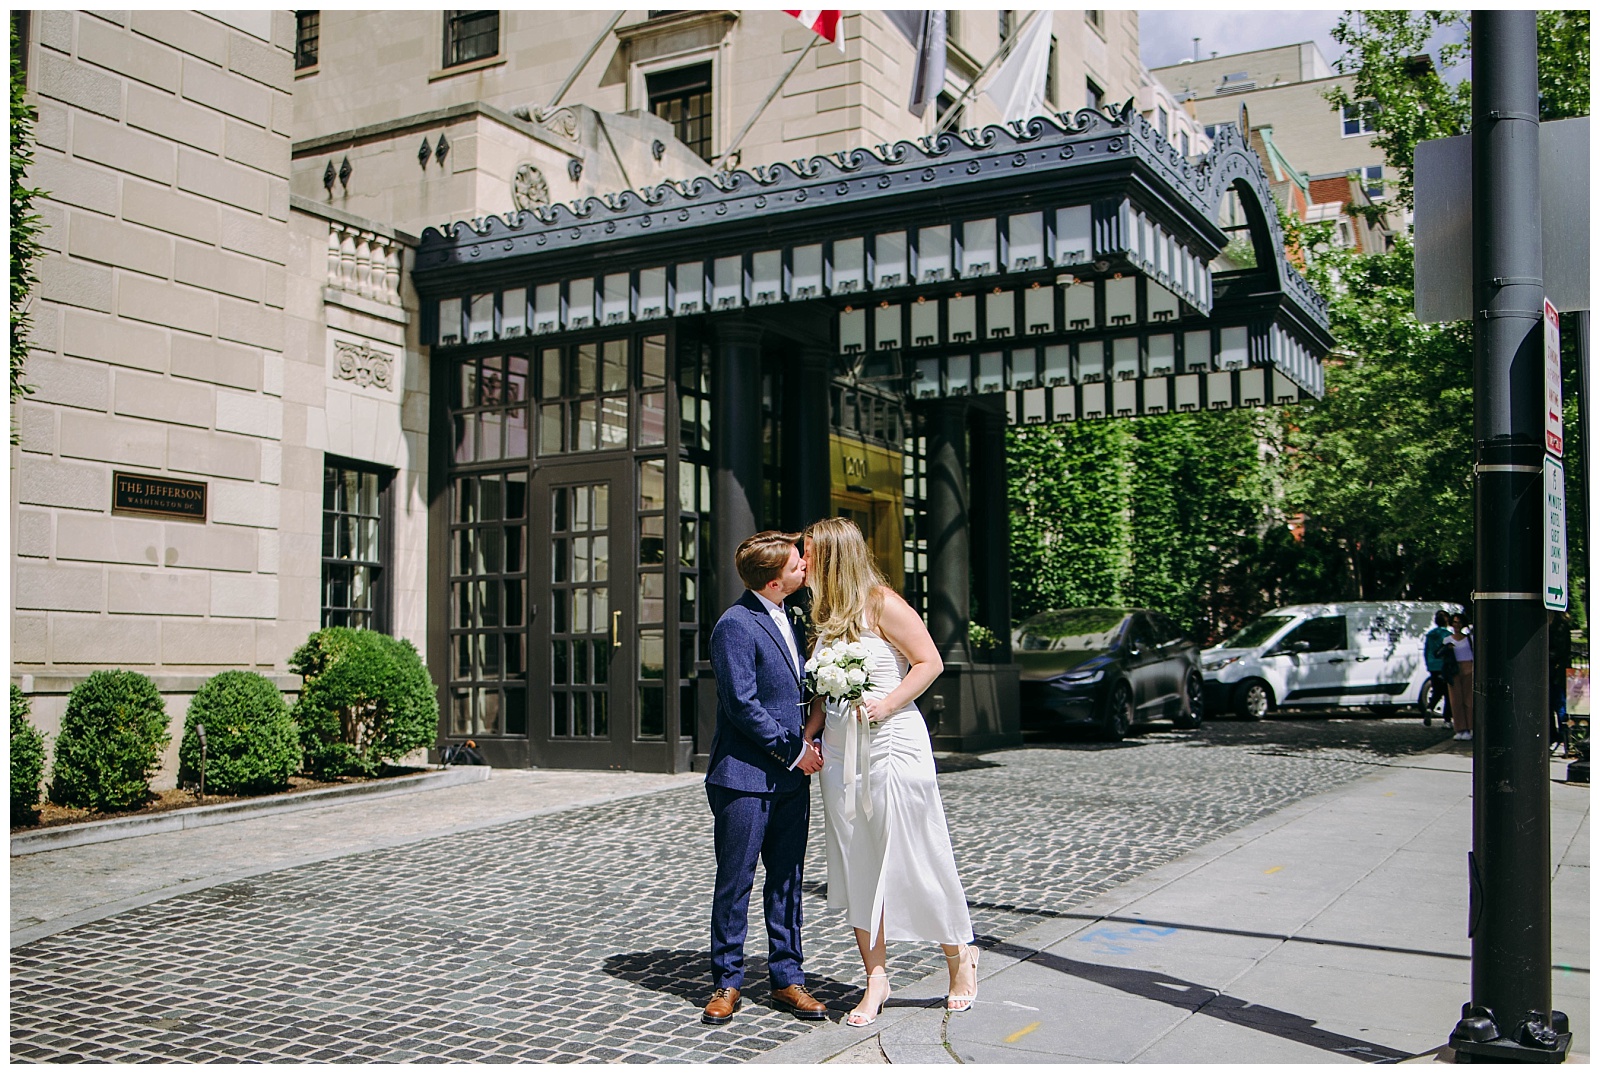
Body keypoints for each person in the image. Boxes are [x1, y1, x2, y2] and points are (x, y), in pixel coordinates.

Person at [800, 517, 978, 1027]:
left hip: (893, 745)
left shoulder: (882, 603)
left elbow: (929, 662)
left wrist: (887, 704)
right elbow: (823, 689)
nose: (802, 562)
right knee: (859, 861)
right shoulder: (826, 613)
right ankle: (876, 977)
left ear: (833, 557)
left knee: (916, 852)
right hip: (838, 753)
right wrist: (811, 729)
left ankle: (958, 956)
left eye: (809, 553)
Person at [702, 531, 827, 1026]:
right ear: (775, 580)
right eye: (799, 564)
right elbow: (741, 706)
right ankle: (726, 981)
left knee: (788, 880)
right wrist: (796, 751)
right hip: (745, 777)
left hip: (792, 779)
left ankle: (787, 979)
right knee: (736, 882)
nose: (806, 568)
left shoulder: (795, 617)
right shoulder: (734, 625)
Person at [1422, 609, 1453, 728]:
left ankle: (1430, 708)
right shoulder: (1447, 635)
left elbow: (1426, 651)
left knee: (1437, 690)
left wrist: (1428, 664)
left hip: (1432, 666)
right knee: (1448, 693)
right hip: (1444, 666)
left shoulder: (1430, 635)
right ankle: (1447, 720)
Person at [1446, 612, 1475, 741]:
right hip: (1453, 669)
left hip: (1468, 668)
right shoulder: (1447, 640)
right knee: (1455, 700)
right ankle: (1460, 728)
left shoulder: (1469, 638)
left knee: (1469, 700)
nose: (1457, 624)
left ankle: (1471, 727)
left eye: (1459, 622)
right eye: (1455, 622)